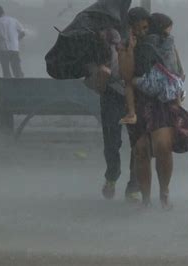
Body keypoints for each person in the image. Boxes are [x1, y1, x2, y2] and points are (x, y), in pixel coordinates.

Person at [124, 8, 188, 209]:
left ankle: (164, 192)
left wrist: (176, 89)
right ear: (130, 28)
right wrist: (130, 49)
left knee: (163, 146)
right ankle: (146, 198)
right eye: (137, 28)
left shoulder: (167, 44)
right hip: (139, 101)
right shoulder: (131, 45)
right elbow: (127, 77)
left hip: (163, 103)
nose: (142, 32)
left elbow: (179, 71)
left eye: (145, 27)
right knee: (140, 151)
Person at [84, 26, 141, 202]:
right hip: (111, 96)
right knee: (111, 141)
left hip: (136, 97)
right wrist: (100, 70)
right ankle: (112, 176)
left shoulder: (136, 38)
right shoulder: (97, 45)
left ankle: (133, 186)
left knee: (138, 144)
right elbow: (91, 77)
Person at [121, 12, 185, 124]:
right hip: (174, 85)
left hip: (155, 84)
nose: (142, 32)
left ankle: (131, 114)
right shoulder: (169, 42)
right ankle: (180, 114)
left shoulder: (146, 43)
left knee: (129, 82)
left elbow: (139, 70)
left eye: (145, 28)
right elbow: (178, 66)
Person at [0, 5, 25, 78]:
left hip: (3, 49)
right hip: (14, 48)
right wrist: (17, 40)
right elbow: (23, 33)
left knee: (6, 70)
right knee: (17, 69)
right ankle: (21, 85)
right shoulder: (13, 20)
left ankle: (7, 86)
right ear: (3, 12)